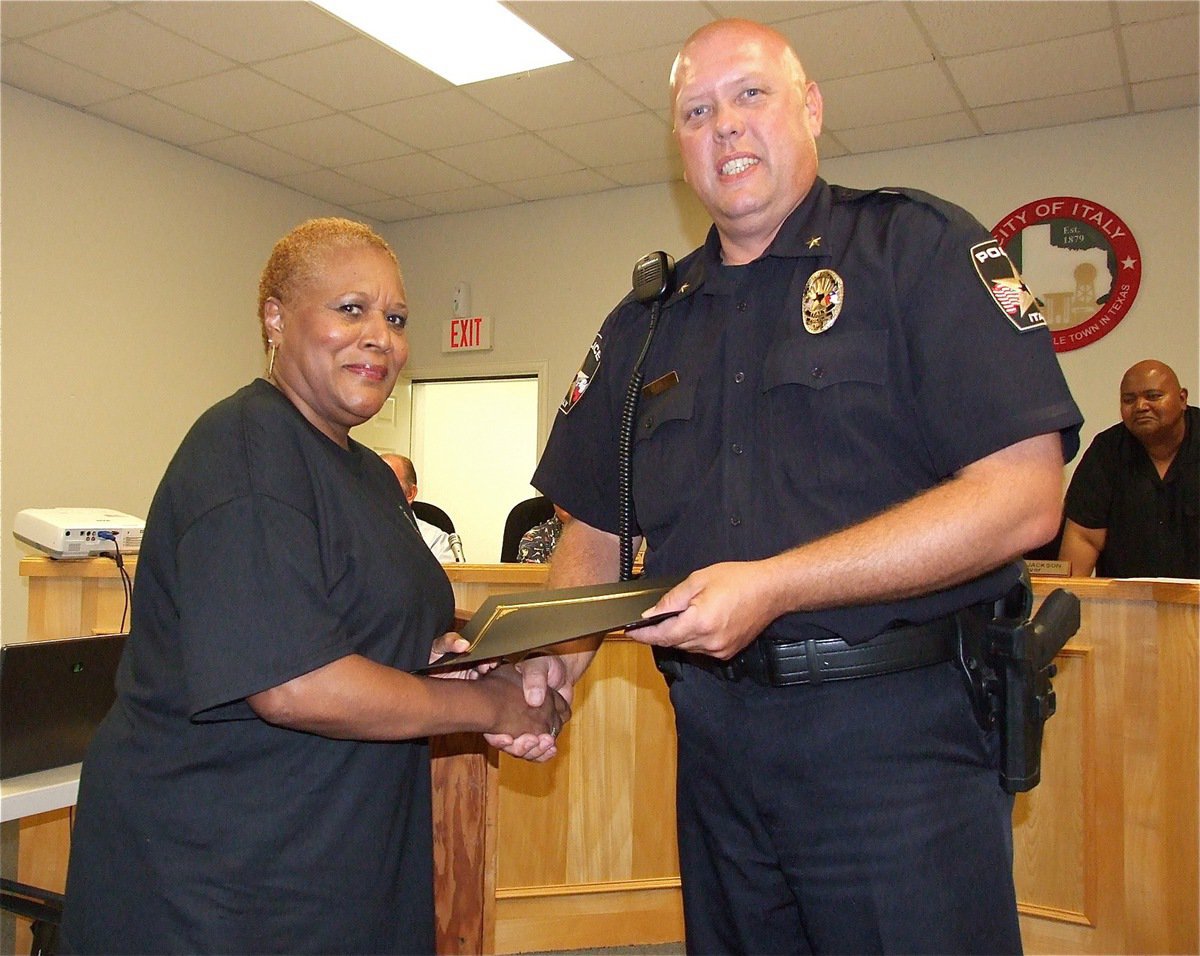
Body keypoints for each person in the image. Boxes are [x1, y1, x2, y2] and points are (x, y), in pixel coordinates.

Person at [500, 19, 1084, 955]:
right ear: (678, 145)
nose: (724, 126)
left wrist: (778, 585)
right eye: (697, 111)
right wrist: (550, 669)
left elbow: (1023, 495)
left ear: (810, 108)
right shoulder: (646, 324)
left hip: (898, 741)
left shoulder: (915, 251)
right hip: (718, 747)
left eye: (750, 96)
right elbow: (594, 535)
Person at [60, 217, 568, 956]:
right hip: (216, 880)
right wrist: (485, 703)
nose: (380, 337)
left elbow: (383, 621)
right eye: (350, 309)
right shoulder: (245, 448)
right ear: (275, 317)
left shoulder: (365, 474)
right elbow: (294, 683)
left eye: (395, 319)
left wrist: (501, 655)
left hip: (334, 852)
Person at [1059, 359, 1198, 578]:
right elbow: (1084, 537)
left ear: (1182, 399)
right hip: (1125, 604)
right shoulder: (1107, 451)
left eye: (1153, 396)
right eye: (1129, 399)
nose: (1141, 406)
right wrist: (1066, 602)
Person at [383, 452, 457, 563]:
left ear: (410, 494)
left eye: (388, 483)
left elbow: (447, 579)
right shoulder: (355, 532)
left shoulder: (435, 540)